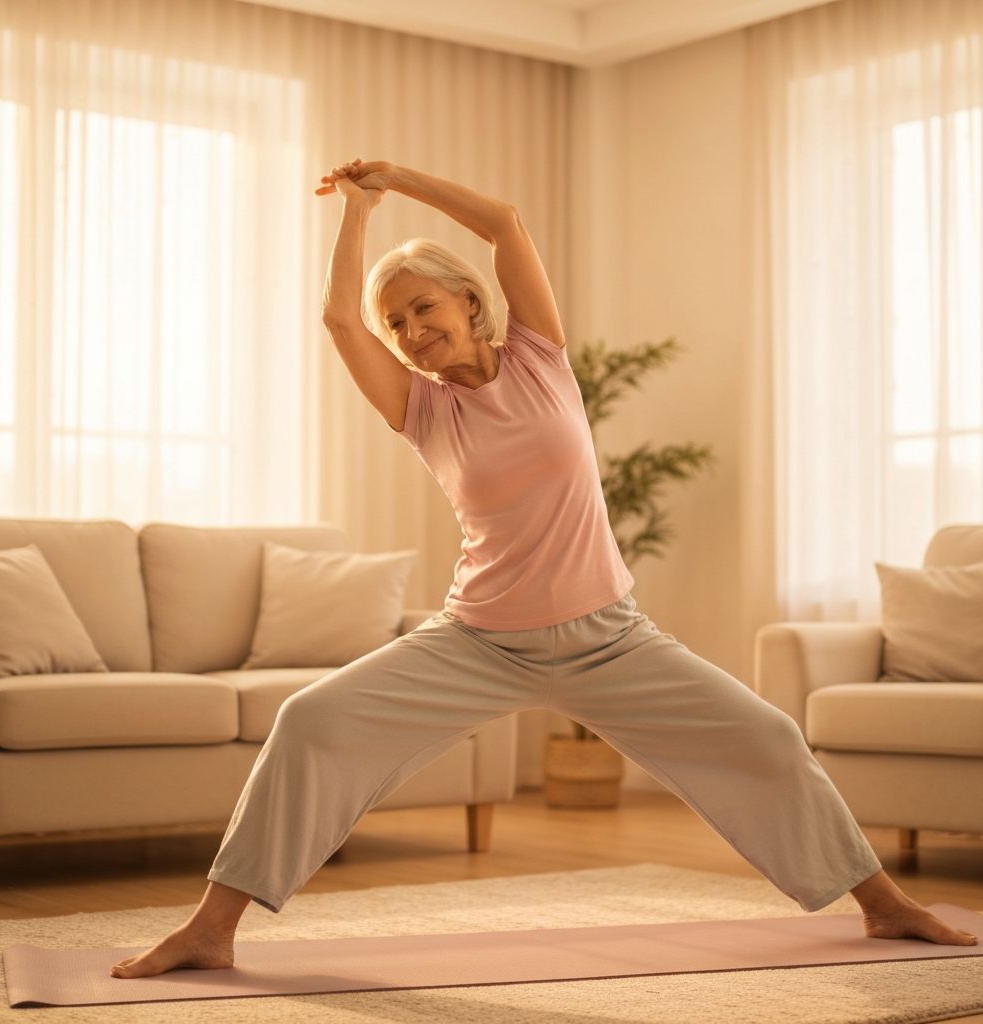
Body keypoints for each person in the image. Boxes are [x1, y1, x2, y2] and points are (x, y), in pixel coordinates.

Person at [111, 159, 977, 979]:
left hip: (611, 639)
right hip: (479, 642)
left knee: (769, 739)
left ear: (467, 300)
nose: (411, 332)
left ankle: (884, 905)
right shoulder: (419, 409)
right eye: (396, 324)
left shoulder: (541, 355)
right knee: (309, 721)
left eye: (422, 307)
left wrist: (398, 178)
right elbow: (340, 322)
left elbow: (503, 223)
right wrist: (358, 213)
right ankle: (211, 930)